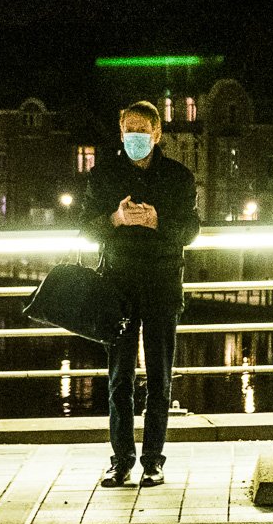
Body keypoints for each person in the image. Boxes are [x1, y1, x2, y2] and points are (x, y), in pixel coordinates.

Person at [79, 100, 200, 487]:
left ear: (156, 133)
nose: (134, 137)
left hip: (163, 285)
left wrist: (157, 221)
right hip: (117, 286)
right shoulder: (103, 176)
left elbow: (191, 230)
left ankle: (153, 460)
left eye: (140, 130)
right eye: (127, 130)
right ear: (120, 133)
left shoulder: (179, 178)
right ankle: (121, 460)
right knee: (119, 380)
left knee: (160, 378)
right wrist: (114, 219)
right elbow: (85, 228)